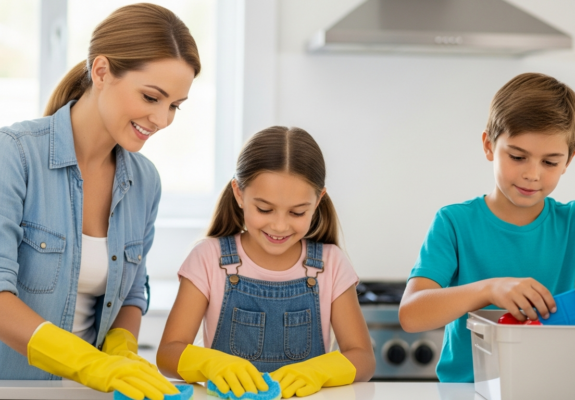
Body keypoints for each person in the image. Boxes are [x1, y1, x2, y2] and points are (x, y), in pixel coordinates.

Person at [0, 4, 200, 400]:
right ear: (101, 71)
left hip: (92, 394)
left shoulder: (145, 180)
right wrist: (90, 363)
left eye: (174, 106)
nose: (162, 119)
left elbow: (132, 295)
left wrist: (121, 353)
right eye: (151, 97)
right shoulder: (12, 154)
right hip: (5, 390)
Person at [156, 126, 375, 399]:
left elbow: (364, 359)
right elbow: (167, 354)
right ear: (239, 193)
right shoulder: (208, 258)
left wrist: (319, 371)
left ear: (318, 201)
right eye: (264, 209)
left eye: (297, 212)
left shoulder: (331, 264)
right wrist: (209, 364)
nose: (279, 225)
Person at [399, 72, 575, 383]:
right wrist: (489, 288)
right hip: (467, 392)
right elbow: (411, 315)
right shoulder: (454, 222)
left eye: (549, 162)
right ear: (489, 146)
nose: (533, 174)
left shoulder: (570, 222)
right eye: (518, 156)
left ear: (568, 161)